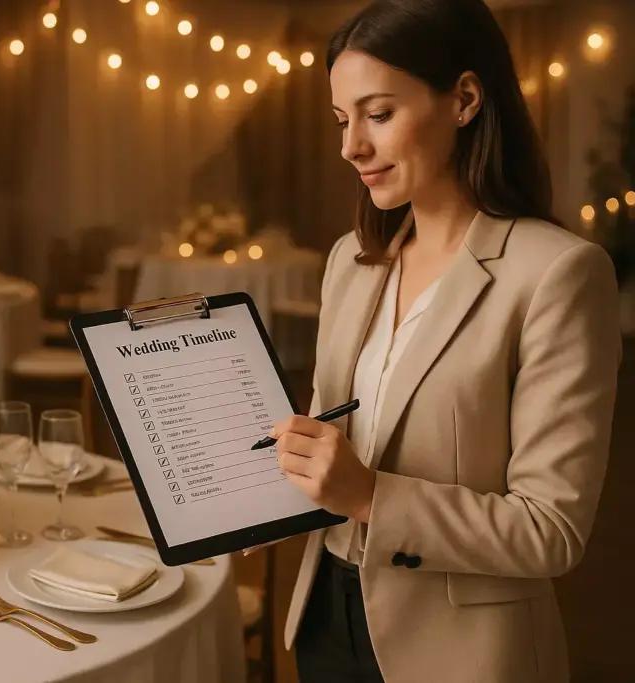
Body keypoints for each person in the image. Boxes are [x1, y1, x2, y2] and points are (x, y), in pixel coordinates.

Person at [266, 0, 622, 681]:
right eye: (342, 120)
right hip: (323, 618)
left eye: (378, 113)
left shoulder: (559, 274)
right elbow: (330, 438)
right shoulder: (351, 259)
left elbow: (552, 529)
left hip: (460, 652)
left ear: (463, 98)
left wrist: (372, 496)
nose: (350, 147)